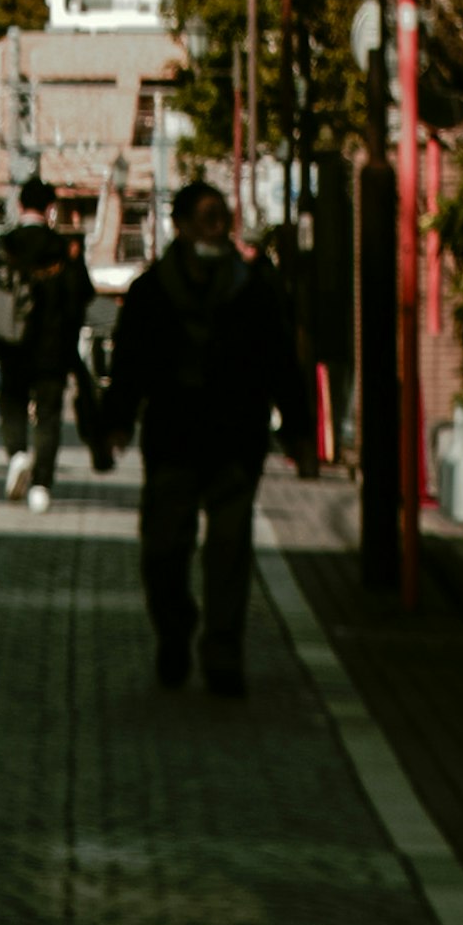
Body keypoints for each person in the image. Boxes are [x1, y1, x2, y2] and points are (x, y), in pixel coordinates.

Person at [83, 183, 310, 697]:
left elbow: (280, 363)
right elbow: (129, 369)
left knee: (229, 550)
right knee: (163, 549)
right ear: (180, 226)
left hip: (236, 440)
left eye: (221, 218)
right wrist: (115, 423)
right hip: (173, 440)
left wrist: (298, 433)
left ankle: (223, 652)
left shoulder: (253, 288)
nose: (216, 228)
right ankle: (175, 628)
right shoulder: (150, 293)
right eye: (206, 218)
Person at [0, 172, 92, 509]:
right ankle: (41, 485)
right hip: (53, 349)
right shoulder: (65, 249)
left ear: (20, 204)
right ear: (50, 208)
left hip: (10, 344)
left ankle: (16, 455)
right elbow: (82, 295)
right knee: (49, 415)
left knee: (11, 402)